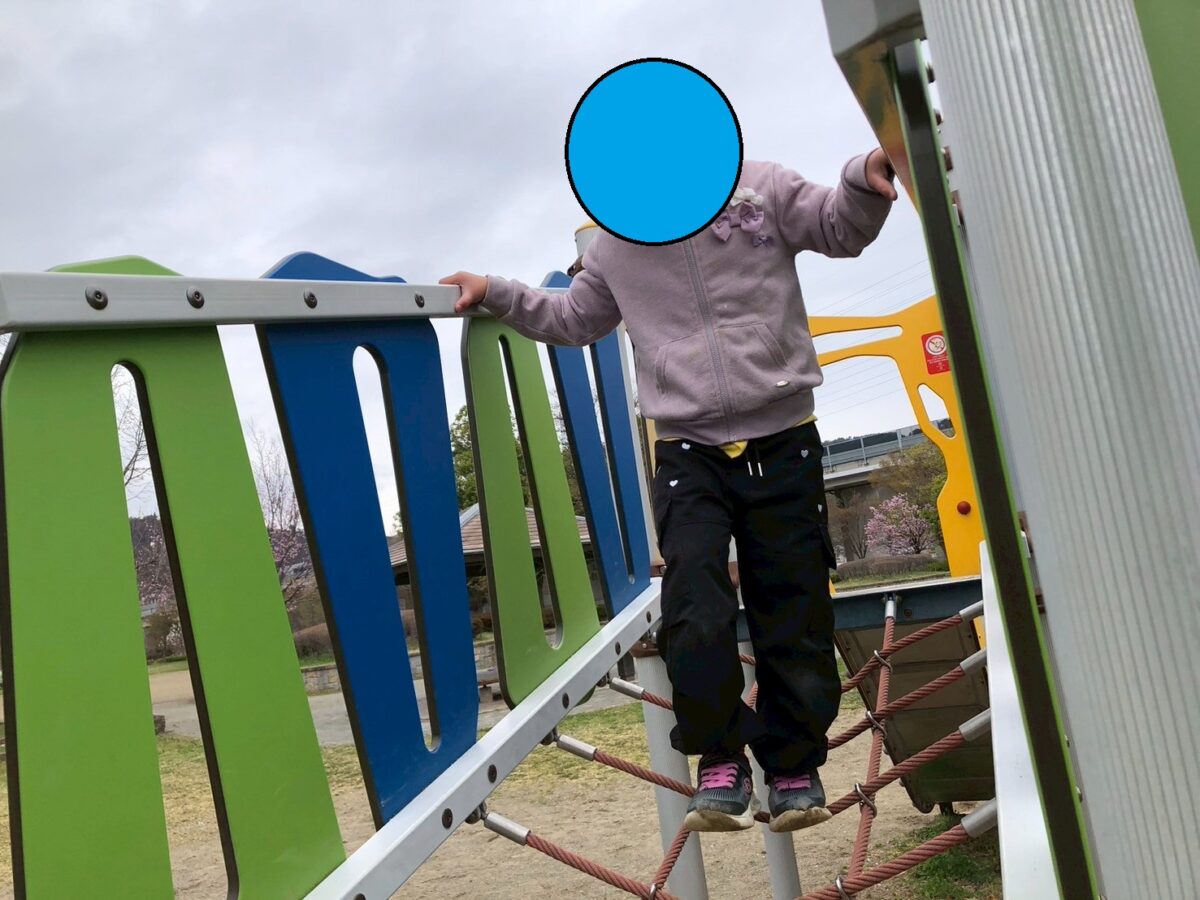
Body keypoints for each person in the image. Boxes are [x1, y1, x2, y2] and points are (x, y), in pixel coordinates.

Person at [442, 150, 897, 832]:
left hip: (783, 436)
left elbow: (839, 227)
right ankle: (720, 756)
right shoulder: (615, 241)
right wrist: (496, 291)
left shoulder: (761, 188)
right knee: (693, 604)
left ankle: (793, 765)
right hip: (688, 449)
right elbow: (573, 318)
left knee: (794, 598)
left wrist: (863, 178)